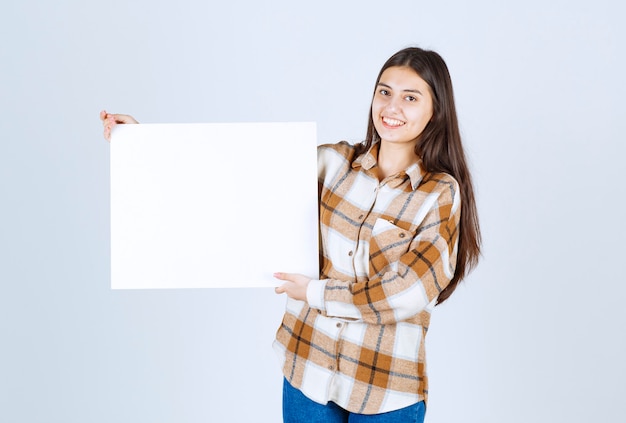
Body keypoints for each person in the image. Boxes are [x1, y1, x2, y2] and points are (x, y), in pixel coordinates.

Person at [100, 46, 481, 423]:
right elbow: (233, 181)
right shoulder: (332, 164)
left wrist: (315, 293)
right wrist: (144, 146)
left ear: (436, 111)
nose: (391, 107)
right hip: (307, 367)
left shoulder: (439, 193)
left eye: (410, 97)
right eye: (384, 92)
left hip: (384, 387)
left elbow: (407, 292)